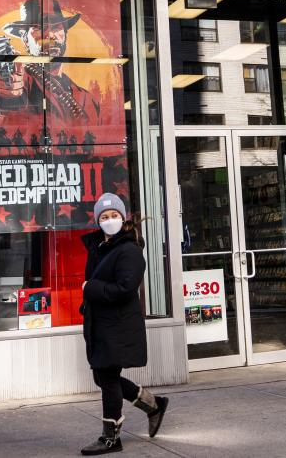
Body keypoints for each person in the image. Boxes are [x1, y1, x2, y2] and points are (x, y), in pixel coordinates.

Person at [79, 193, 168, 455]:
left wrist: (90, 289)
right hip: (101, 323)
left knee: (106, 378)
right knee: (103, 375)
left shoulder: (129, 250)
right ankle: (153, 405)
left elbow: (125, 288)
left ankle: (111, 437)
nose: (109, 221)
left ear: (123, 217)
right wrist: (87, 303)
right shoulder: (101, 248)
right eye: (104, 217)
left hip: (117, 325)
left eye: (114, 216)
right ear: (98, 220)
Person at [0, 0, 101, 123]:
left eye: (57, 27)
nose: (50, 35)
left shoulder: (88, 99)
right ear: (25, 40)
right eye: (39, 28)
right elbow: (2, 99)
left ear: (65, 35)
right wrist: (4, 90)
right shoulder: (23, 77)